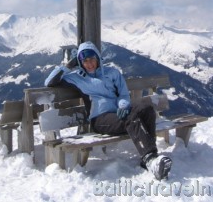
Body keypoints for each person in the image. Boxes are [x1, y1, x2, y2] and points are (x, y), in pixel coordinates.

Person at [45, 40, 172, 180]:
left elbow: (123, 94)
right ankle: (150, 159)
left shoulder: (112, 73)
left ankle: (150, 157)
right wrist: (68, 66)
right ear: (80, 63)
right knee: (132, 118)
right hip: (100, 119)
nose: (89, 64)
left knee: (147, 108)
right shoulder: (77, 78)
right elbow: (50, 82)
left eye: (92, 59)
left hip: (118, 113)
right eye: (85, 61)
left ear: (98, 58)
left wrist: (123, 105)